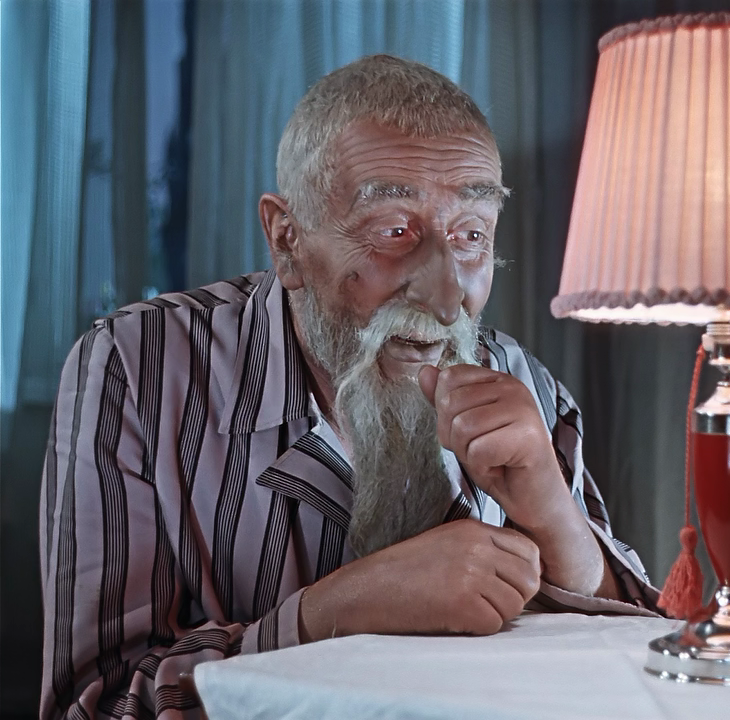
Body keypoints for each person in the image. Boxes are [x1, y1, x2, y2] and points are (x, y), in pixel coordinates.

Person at [39, 54, 658, 719]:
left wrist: (556, 517)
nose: (448, 297)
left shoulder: (524, 382)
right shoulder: (137, 371)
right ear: (287, 241)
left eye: (471, 235)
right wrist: (336, 610)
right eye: (394, 231)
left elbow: (644, 663)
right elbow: (92, 706)